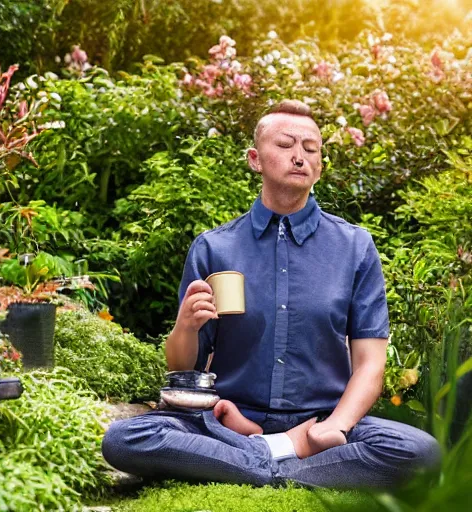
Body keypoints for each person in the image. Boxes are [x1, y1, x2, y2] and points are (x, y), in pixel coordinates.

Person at [102, 100, 440, 488]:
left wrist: (334, 428)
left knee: (421, 452)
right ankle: (284, 460)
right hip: (229, 419)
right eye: (285, 145)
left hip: (320, 424)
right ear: (255, 159)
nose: (299, 157)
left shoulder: (354, 248)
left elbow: (369, 366)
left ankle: (253, 460)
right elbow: (184, 369)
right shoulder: (214, 248)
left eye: (310, 149)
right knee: (125, 438)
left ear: (320, 167)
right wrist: (184, 327)